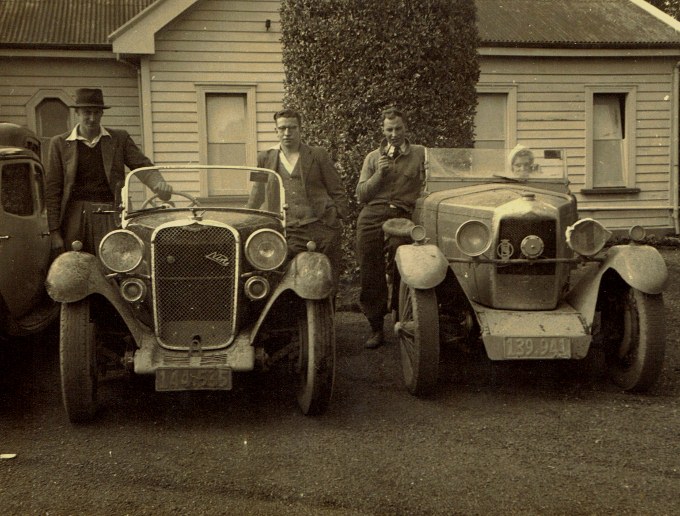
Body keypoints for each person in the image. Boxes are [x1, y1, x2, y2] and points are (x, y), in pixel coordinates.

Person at [45, 88, 172, 256]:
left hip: (111, 214)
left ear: (102, 114)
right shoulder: (60, 143)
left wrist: (159, 186)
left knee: (116, 264)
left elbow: (142, 167)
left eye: (96, 113)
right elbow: (52, 189)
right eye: (87, 113)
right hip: (74, 217)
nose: (92, 118)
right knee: (75, 267)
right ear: (77, 113)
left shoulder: (119, 138)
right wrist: (54, 231)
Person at [248, 109, 348, 288]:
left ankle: (326, 314)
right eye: (283, 128)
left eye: (292, 128)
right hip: (288, 228)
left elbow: (337, 188)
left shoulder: (318, 155)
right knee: (281, 273)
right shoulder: (264, 158)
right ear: (276, 130)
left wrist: (337, 215)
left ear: (300, 129)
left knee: (328, 277)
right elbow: (256, 194)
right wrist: (247, 218)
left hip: (321, 224)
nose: (287, 133)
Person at [355, 107, 426, 349]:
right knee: (369, 267)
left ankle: (401, 312)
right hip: (372, 213)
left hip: (401, 216)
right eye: (389, 129)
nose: (393, 134)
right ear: (382, 130)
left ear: (406, 129)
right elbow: (361, 195)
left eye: (398, 129)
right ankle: (376, 327)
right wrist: (379, 175)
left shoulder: (419, 155)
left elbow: (428, 187)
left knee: (403, 258)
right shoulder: (373, 158)